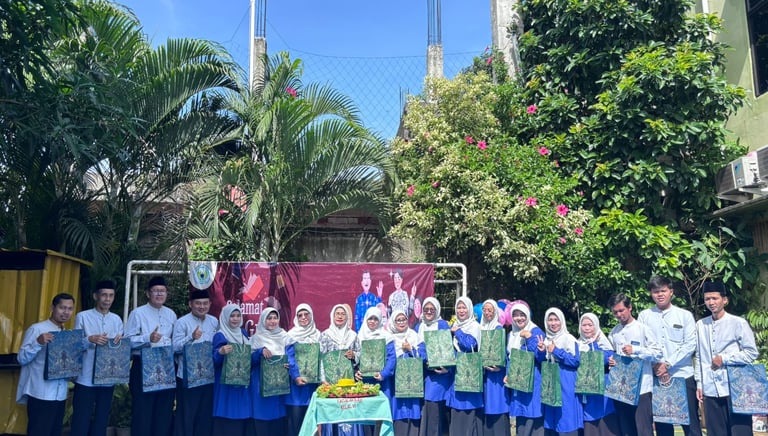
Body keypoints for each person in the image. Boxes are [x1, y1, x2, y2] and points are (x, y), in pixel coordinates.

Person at [637, 276, 702, 436]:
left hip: (682, 375)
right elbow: (642, 345)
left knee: (691, 424)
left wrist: (667, 364)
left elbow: (690, 344)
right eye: (655, 292)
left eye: (663, 291)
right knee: (663, 426)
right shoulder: (644, 316)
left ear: (671, 292)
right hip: (657, 377)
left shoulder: (684, 315)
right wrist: (655, 365)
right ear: (651, 294)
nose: (660, 294)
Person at [695, 281, 758, 436]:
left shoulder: (738, 323)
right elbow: (699, 356)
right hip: (710, 388)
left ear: (725, 300)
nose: (711, 302)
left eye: (715, 298)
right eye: (707, 299)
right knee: (716, 432)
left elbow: (751, 353)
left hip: (735, 388)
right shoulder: (700, 325)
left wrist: (724, 358)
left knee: (741, 431)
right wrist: (700, 384)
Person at [16, 293, 79, 436]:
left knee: (54, 432)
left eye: (70, 309)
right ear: (52, 308)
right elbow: (21, 358)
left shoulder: (67, 334)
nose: (66, 312)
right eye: (62, 308)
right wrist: (38, 343)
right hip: (40, 393)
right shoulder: (37, 329)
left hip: (60, 394)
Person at [124, 275, 178, 436]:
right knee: (143, 413)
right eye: (156, 291)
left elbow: (175, 342)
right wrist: (148, 338)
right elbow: (127, 341)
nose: (159, 294)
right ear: (148, 293)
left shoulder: (171, 314)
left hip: (166, 367)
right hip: (143, 367)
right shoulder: (138, 313)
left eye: (163, 291)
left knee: (164, 413)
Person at [71, 280, 124, 436]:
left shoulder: (117, 319)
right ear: (96, 296)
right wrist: (90, 339)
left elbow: (120, 348)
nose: (107, 299)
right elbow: (73, 345)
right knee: (81, 418)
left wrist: (120, 344)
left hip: (108, 378)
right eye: (104, 295)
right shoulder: (83, 316)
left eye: (111, 295)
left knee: (102, 419)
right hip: (85, 378)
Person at [607, 293, 662, 436]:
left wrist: (636, 350)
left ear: (630, 307)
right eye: (615, 312)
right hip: (622, 390)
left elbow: (657, 353)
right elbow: (611, 354)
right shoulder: (614, 333)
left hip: (642, 387)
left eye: (621, 310)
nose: (619, 315)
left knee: (643, 429)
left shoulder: (643, 329)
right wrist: (611, 361)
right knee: (626, 429)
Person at [172, 288, 219, 436]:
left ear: (210, 304)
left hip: (207, 377)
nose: (202, 306)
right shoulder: (182, 322)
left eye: (205, 303)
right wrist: (191, 337)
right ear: (190, 304)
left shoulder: (214, 322)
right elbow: (174, 348)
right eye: (198, 303)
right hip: (187, 377)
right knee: (186, 415)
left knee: (204, 416)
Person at [319, 304, 361, 436]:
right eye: (337, 313)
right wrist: (323, 379)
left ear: (347, 317)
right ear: (332, 316)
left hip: (349, 383)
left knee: (348, 413)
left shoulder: (353, 336)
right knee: (333, 414)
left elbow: (361, 354)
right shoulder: (325, 335)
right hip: (330, 384)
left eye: (343, 314)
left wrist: (354, 355)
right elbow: (320, 358)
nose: (340, 316)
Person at [504, 301, 546, 436]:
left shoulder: (535, 331)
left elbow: (541, 357)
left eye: (522, 315)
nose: (519, 318)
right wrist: (508, 374)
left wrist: (529, 338)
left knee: (533, 416)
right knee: (521, 418)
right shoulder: (512, 334)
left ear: (528, 315)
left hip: (533, 381)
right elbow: (510, 357)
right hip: (517, 382)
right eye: (515, 315)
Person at [212, 304, 255, 436]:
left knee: (241, 421)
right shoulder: (220, 335)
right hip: (226, 387)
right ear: (225, 317)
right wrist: (220, 352)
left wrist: (260, 353)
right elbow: (214, 362)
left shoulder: (243, 333)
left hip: (242, 384)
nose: (235, 319)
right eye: (232, 316)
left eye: (238, 316)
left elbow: (248, 357)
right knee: (227, 421)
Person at [539, 307, 582, 436]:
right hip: (550, 381)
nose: (553, 323)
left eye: (556, 320)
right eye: (550, 320)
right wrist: (542, 351)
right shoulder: (546, 339)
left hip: (565, 380)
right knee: (553, 416)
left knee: (566, 415)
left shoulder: (568, 339)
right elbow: (542, 361)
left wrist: (557, 351)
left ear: (562, 321)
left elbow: (576, 361)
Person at [355, 306, 396, 436]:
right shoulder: (359, 337)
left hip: (381, 383)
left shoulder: (386, 337)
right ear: (366, 320)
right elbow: (355, 359)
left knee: (380, 415)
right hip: (364, 383)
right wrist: (356, 371)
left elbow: (391, 358)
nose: (372, 321)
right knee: (366, 415)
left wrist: (383, 374)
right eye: (370, 319)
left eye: (375, 319)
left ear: (380, 321)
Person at [577, 313, 620, 436]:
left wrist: (594, 344)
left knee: (607, 425)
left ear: (596, 326)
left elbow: (606, 359)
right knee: (591, 427)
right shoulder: (577, 344)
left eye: (590, 325)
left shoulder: (603, 342)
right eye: (584, 325)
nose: (587, 328)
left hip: (603, 392)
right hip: (587, 393)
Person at [446, 296, 483, 436]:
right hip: (456, 375)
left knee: (468, 413)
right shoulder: (454, 326)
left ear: (470, 309)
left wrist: (458, 332)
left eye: (464, 308)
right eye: (458, 307)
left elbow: (471, 345)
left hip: (469, 375)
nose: (461, 311)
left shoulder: (474, 326)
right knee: (456, 415)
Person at [416, 297, 452, 436]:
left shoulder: (442, 324)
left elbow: (447, 348)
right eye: (426, 309)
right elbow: (418, 347)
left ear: (437, 310)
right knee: (430, 410)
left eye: (432, 309)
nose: (429, 312)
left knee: (435, 407)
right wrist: (424, 358)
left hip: (439, 374)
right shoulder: (420, 326)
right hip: (425, 373)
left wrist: (445, 367)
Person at [285, 303, 322, 436]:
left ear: (311, 316)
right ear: (296, 318)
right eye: (300, 315)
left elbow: (322, 359)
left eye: (306, 314)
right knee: (296, 425)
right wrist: (296, 376)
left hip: (313, 387)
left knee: (312, 426)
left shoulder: (317, 335)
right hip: (297, 389)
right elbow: (289, 358)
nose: (303, 317)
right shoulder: (291, 335)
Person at [250, 307, 288, 433]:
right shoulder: (256, 338)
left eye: (275, 318)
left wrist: (289, 364)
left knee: (278, 425)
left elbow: (292, 356)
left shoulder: (285, 336)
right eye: (269, 318)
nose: (272, 321)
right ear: (263, 320)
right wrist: (260, 352)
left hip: (280, 387)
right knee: (263, 424)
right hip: (261, 387)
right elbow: (248, 361)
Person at [388, 309, 423, 436]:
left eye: (404, 319)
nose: (401, 322)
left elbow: (423, 356)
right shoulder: (389, 338)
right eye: (398, 320)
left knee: (413, 412)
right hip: (396, 382)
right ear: (393, 322)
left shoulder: (414, 335)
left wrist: (410, 349)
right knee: (398, 413)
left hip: (413, 382)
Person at [479, 299, 509, 436]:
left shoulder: (498, 328)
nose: (487, 313)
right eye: (484, 310)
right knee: (486, 410)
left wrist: (499, 366)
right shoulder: (480, 328)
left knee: (497, 406)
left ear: (495, 312)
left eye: (490, 310)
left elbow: (502, 353)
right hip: (483, 375)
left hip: (495, 375)